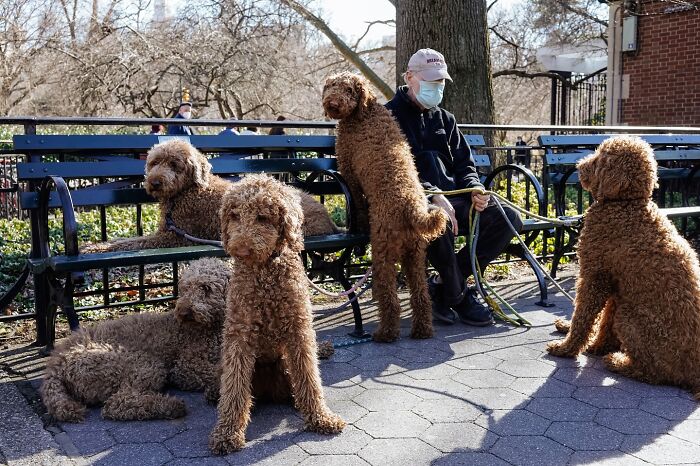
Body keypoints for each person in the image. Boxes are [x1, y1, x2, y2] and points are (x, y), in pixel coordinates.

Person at [385, 48, 523, 327]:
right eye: (431, 81)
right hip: (411, 202)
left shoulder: (445, 119)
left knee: (509, 218)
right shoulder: (387, 117)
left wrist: (474, 189)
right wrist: (433, 195)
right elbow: (393, 172)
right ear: (410, 77)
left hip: (455, 198)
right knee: (439, 222)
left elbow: (465, 164)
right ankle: (459, 296)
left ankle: (445, 286)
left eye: (440, 82)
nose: (437, 87)